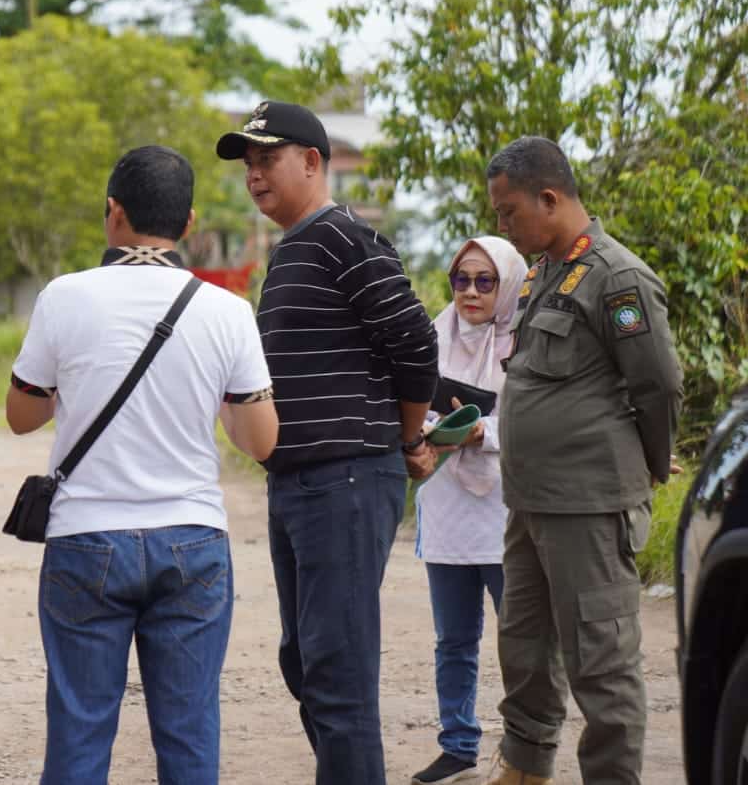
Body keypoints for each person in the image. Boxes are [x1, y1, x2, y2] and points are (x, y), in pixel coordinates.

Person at [6, 145, 278, 785]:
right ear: (189, 224)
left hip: (85, 540)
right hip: (192, 540)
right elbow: (260, 440)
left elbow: (22, 414)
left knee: (79, 730)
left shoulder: (63, 297)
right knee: (188, 735)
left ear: (113, 213)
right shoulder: (228, 311)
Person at [214, 100, 439, 785]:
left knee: (337, 675)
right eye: (248, 164)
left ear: (313, 162)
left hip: (344, 479)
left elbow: (416, 341)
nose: (254, 176)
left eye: (267, 160)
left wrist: (405, 438)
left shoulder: (345, 238)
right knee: (304, 661)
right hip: (298, 484)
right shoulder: (291, 250)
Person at [484, 136, 682, 785]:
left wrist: (650, 467)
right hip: (532, 501)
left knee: (602, 663)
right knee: (526, 648)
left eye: (510, 212)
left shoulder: (617, 277)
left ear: (550, 197)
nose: (502, 226)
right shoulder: (548, 271)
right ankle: (525, 767)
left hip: (590, 504)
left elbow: (658, 385)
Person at [409, 236, 527, 785]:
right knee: (453, 640)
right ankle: (457, 745)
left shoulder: (527, 342)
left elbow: (540, 422)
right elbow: (409, 405)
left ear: (507, 286)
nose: (471, 292)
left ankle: (525, 750)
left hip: (507, 511)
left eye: (485, 281)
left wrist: (485, 430)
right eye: (461, 280)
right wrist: (422, 434)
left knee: (520, 639)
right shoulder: (432, 335)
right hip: (447, 504)